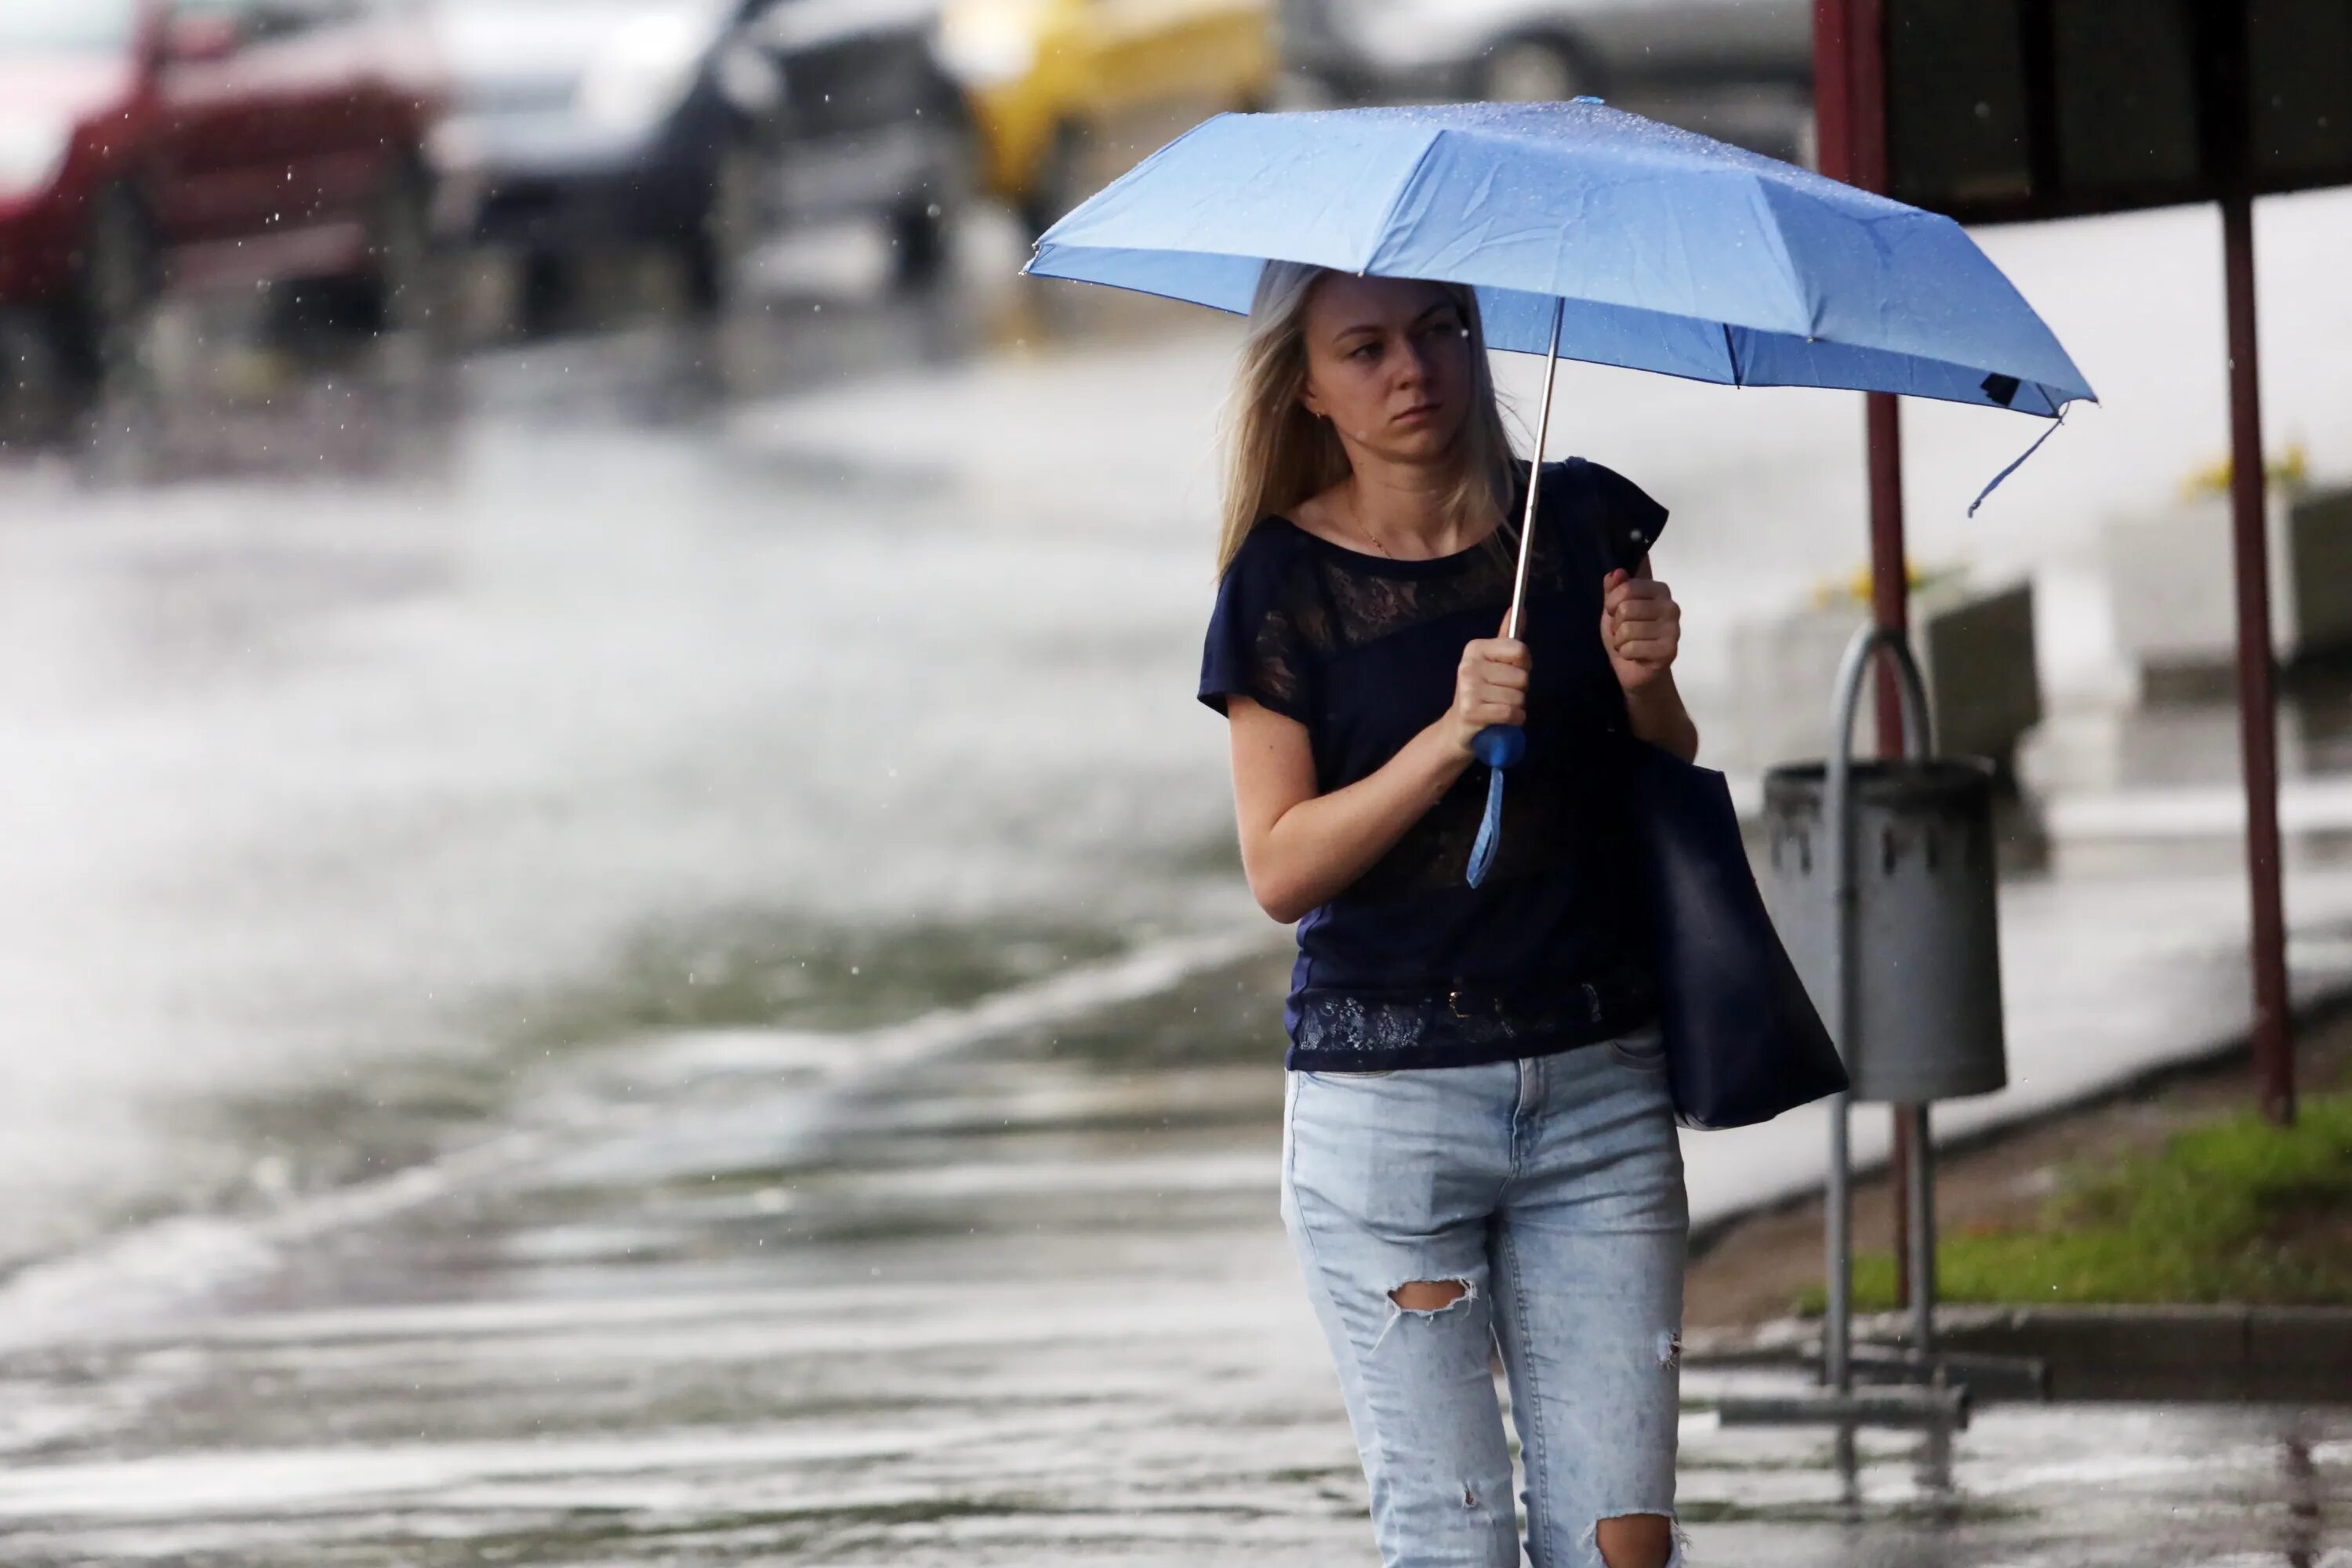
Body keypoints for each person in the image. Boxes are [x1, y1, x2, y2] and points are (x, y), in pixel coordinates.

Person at [1197, 261, 1697, 1568]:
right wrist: (1449, 736)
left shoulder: (1578, 525)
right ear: (1309, 388)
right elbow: (1280, 867)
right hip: (1391, 1112)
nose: (1411, 370)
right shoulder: (1281, 583)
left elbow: (1663, 777)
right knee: (1454, 1540)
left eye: (1440, 331)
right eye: (1364, 350)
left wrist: (1647, 684)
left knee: (1622, 1543)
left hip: (1599, 1088)